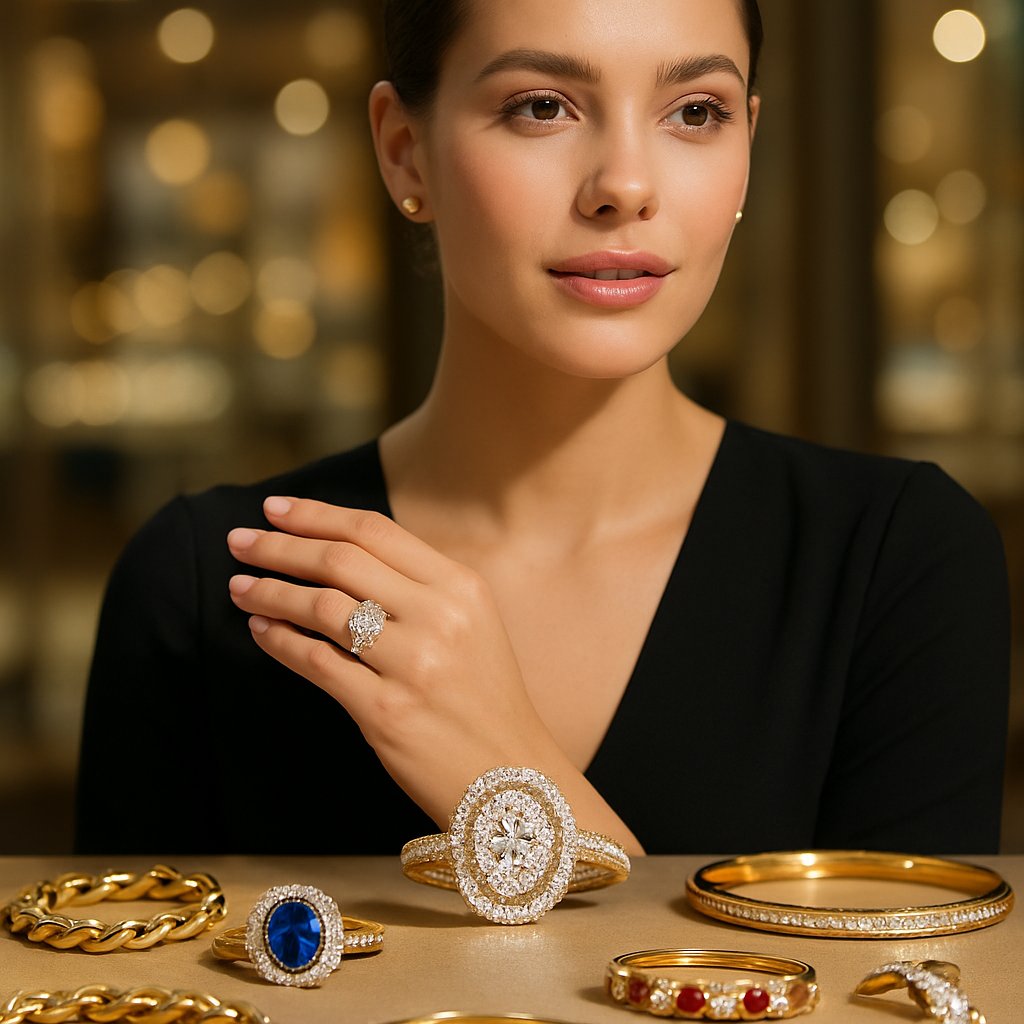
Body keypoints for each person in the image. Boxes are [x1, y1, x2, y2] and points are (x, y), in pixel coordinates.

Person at [75, 0, 1009, 857]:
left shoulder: (898, 563)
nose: (625, 185)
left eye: (695, 112)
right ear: (405, 151)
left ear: (748, 148)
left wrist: (508, 779)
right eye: (541, 106)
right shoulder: (218, 589)